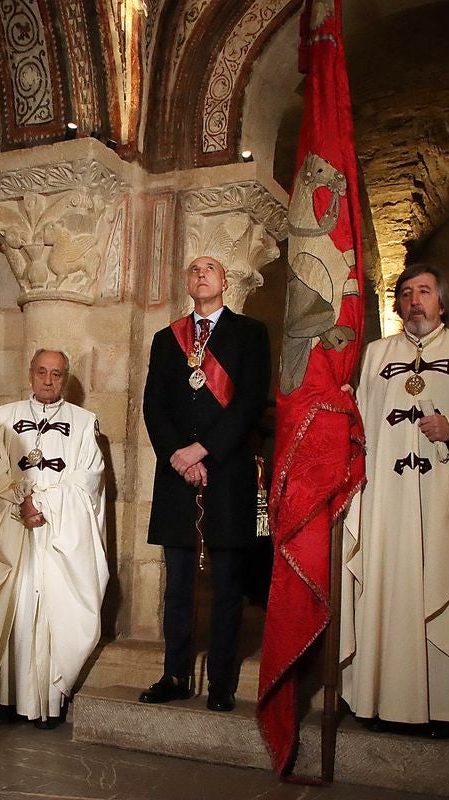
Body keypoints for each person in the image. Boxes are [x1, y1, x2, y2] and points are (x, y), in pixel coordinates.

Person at [339, 264, 449, 736]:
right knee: (386, 587)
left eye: (424, 291)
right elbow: (358, 423)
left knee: (445, 588)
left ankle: (442, 708)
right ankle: (377, 701)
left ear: (442, 302)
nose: (414, 299)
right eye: (405, 293)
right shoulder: (376, 356)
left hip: (448, 498)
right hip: (386, 501)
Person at [139, 255, 270, 712]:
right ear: (187, 282)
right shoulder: (165, 339)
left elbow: (250, 402)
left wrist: (203, 450)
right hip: (177, 476)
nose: (200, 274)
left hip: (227, 472)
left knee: (228, 586)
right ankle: (174, 674)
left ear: (224, 282)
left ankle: (221, 684)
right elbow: (154, 405)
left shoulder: (250, 334)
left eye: (210, 269)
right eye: (193, 269)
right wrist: (178, 454)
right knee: (176, 584)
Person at [0, 349, 108, 729]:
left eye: (57, 374)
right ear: (31, 374)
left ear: (65, 379)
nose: (48, 380)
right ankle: (8, 696)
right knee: (12, 604)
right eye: (42, 372)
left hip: (58, 532)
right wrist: (22, 499)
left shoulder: (83, 422)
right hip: (12, 529)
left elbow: (87, 478)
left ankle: (46, 700)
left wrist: (46, 504)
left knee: (50, 608)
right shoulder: (1, 419)